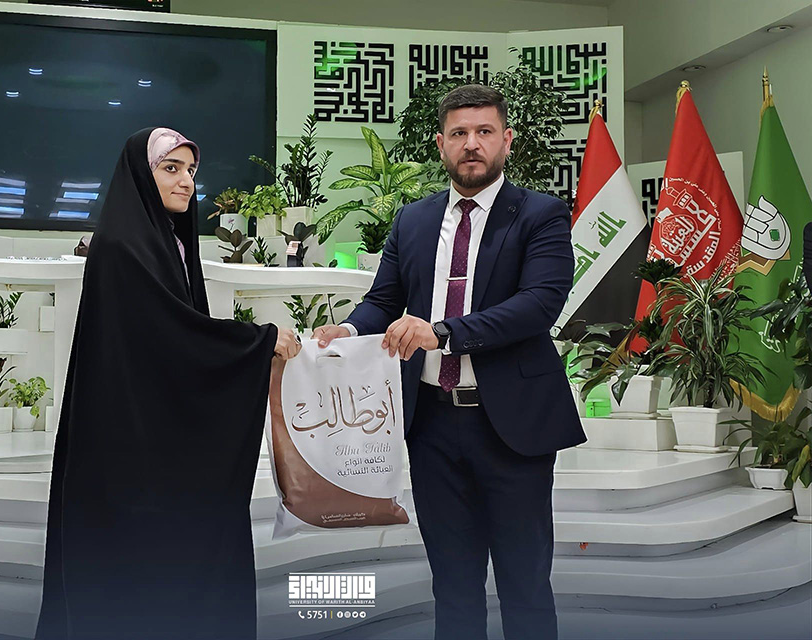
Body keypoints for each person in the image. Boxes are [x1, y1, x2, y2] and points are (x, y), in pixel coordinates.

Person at [313, 85, 585, 640]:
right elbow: (384, 300)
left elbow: (538, 305)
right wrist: (348, 329)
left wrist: (441, 333)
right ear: (441, 144)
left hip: (512, 425)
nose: (471, 144)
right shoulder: (413, 220)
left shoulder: (541, 214)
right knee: (453, 586)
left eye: (485, 131)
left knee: (525, 585)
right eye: (459, 133)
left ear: (507, 140)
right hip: (432, 424)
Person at [34, 127, 301, 640]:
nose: (186, 182)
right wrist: (260, 340)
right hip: (124, 443)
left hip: (154, 434)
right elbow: (169, 334)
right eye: (171, 168)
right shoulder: (122, 247)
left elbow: (182, 333)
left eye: (191, 171)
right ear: (141, 173)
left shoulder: (169, 243)